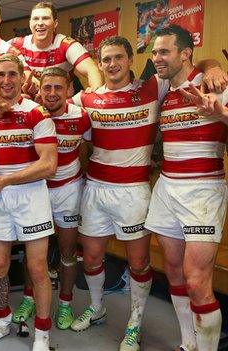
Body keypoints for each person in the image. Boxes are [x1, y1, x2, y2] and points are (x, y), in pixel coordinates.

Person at [68, 36, 170, 351]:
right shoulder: (86, 99)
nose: (112, 64)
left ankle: (134, 323)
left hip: (133, 191)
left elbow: (187, 67)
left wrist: (209, 67)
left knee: (138, 263)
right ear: (99, 64)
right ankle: (97, 307)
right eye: (107, 59)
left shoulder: (152, 89)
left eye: (118, 58)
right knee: (93, 257)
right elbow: (56, 113)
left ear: (130, 60)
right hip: (96, 189)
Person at [146, 25, 228, 351]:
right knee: (174, 272)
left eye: (164, 52)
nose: (156, 59)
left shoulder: (214, 85)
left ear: (184, 53)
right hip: (167, 187)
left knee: (196, 280)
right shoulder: (165, 88)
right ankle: (188, 344)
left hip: (204, 189)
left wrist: (220, 112)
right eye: (154, 52)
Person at [0, 54, 57, 351]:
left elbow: (49, 165)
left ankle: (42, 336)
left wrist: (6, 180)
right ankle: (1, 322)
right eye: (1, 75)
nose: (6, 81)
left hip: (31, 196)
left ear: (23, 78)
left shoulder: (37, 114)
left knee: (37, 270)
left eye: (12, 75)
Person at [24, 67, 90, 330]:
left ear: (69, 90)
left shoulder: (81, 117)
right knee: (34, 254)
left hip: (68, 190)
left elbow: (86, 148)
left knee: (67, 252)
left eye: (58, 88)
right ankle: (29, 298)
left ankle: (65, 303)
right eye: (47, 87)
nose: (52, 94)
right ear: (39, 90)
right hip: (36, 189)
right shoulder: (30, 113)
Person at [9, 1, 102, 95]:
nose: (40, 23)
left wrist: (96, 93)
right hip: (32, 103)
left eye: (45, 18)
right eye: (36, 19)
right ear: (30, 23)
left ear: (55, 23)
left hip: (63, 103)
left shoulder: (66, 44)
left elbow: (91, 69)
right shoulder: (17, 44)